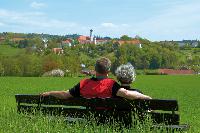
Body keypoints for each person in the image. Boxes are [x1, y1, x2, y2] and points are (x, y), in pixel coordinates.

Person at [41, 57, 151, 100]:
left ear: (95, 69)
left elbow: (65, 94)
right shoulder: (111, 84)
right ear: (108, 71)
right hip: (107, 121)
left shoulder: (83, 83)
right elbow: (126, 94)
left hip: (89, 119)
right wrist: (147, 97)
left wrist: (50, 92)